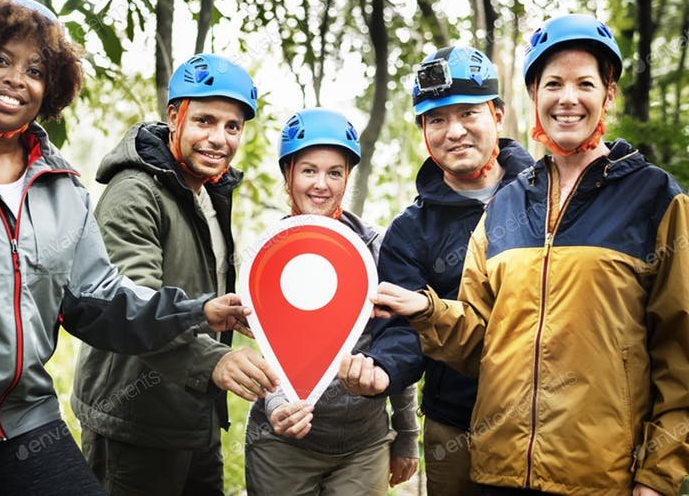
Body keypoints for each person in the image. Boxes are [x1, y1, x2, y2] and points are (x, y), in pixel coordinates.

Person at [0, 0, 255, 495]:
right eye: (0, 59)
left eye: (35, 70)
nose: (17, 78)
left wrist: (197, 312)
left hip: (25, 418)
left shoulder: (61, 187)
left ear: (51, 88)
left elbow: (99, 300)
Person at [355, 14, 689, 495]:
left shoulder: (655, 197)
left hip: (598, 477)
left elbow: (679, 353)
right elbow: (481, 341)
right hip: (497, 471)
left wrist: (658, 475)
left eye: (584, 83)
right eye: (553, 83)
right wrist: (426, 310)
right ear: (535, 97)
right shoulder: (508, 205)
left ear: (608, 94)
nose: (568, 98)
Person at [71, 53, 279, 496]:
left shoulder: (209, 191)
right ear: (173, 117)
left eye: (232, 127)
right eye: (205, 121)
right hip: (134, 421)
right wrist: (214, 360)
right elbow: (135, 303)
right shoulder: (134, 193)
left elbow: (194, 288)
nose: (218, 139)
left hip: (194, 414)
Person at [339, 46, 534, 496]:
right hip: (455, 425)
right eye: (437, 120)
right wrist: (383, 368)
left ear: (498, 114)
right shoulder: (410, 232)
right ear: (423, 130)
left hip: (548, 419)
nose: (455, 132)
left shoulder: (546, 195)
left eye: (468, 113)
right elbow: (403, 328)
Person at [244, 108, 420, 495]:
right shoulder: (266, 254)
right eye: (309, 170)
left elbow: (395, 344)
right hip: (283, 444)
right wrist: (276, 407)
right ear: (288, 174)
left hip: (364, 444)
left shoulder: (374, 250)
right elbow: (268, 351)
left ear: (347, 177)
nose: (321, 184)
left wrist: (406, 434)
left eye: (334, 172)